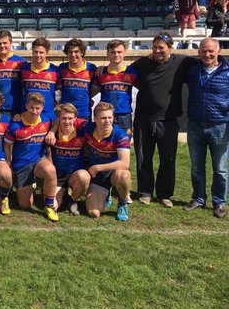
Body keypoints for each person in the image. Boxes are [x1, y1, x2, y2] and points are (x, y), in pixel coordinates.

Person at [132, 33, 197, 207]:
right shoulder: (142, 63)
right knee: (143, 157)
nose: (157, 50)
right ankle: (145, 191)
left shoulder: (182, 62)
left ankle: (164, 193)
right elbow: (125, 74)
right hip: (143, 119)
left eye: (161, 47)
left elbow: (207, 60)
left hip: (168, 120)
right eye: (155, 47)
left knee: (168, 159)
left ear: (170, 48)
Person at [184, 38, 229, 218]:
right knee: (196, 167)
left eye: (211, 51)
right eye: (203, 51)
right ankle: (198, 198)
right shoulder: (193, 71)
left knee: (220, 168)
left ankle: (219, 202)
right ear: (198, 52)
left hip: (220, 126)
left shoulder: (227, 71)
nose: (207, 54)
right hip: (195, 125)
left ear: (219, 51)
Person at [4, 93, 59, 221]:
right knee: (25, 205)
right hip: (21, 165)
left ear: (42, 108)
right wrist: (8, 163)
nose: (34, 111)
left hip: (38, 160)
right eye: (31, 108)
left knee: (50, 170)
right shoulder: (15, 125)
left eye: (37, 108)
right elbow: (7, 144)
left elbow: (57, 121)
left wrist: (51, 132)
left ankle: (49, 205)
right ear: (26, 106)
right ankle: (28, 185)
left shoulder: (46, 119)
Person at [83, 102, 132, 221]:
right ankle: (106, 195)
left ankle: (122, 203)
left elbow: (125, 163)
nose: (107, 121)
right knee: (93, 213)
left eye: (110, 117)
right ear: (95, 118)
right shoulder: (88, 128)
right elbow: (70, 120)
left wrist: (98, 167)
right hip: (98, 178)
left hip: (114, 174)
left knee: (124, 175)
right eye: (103, 118)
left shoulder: (120, 135)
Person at [48, 104, 90, 216]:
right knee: (53, 207)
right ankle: (62, 193)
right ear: (59, 118)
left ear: (75, 118)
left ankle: (73, 199)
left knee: (84, 176)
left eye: (70, 118)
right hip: (58, 177)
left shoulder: (82, 133)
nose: (67, 121)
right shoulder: (52, 134)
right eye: (64, 118)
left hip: (74, 175)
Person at [92, 40, 138, 138]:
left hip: (124, 115)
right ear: (107, 54)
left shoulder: (132, 72)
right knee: (105, 143)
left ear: (125, 53)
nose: (116, 55)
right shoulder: (101, 73)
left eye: (119, 52)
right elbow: (92, 92)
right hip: (105, 115)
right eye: (113, 52)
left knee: (124, 143)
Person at [0, 30, 26, 116]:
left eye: (5, 43)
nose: (2, 46)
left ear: (11, 43)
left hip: (17, 110)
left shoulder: (21, 62)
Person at [20, 37, 61, 121]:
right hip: (28, 114)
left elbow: (59, 91)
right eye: (35, 52)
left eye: (41, 52)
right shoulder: (24, 68)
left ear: (47, 53)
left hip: (48, 116)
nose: (38, 55)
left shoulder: (55, 70)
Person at [58, 38, 96, 121]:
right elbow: (59, 88)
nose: (73, 54)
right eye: (70, 52)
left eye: (76, 51)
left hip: (84, 112)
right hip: (66, 112)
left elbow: (95, 88)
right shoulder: (62, 68)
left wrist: (88, 98)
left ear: (82, 52)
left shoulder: (91, 68)